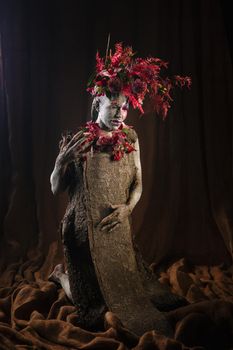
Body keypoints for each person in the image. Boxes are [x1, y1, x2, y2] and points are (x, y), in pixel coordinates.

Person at [49, 42, 191, 332]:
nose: (120, 114)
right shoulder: (79, 139)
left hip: (114, 228)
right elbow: (55, 189)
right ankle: (61, 277)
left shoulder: (130, 137)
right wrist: (60, 162)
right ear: (96, 106)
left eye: (124, 108)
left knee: (137, 293)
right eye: (113, 107)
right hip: (81, 232)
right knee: (91, 306)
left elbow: (138, 182)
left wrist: (128, 207)